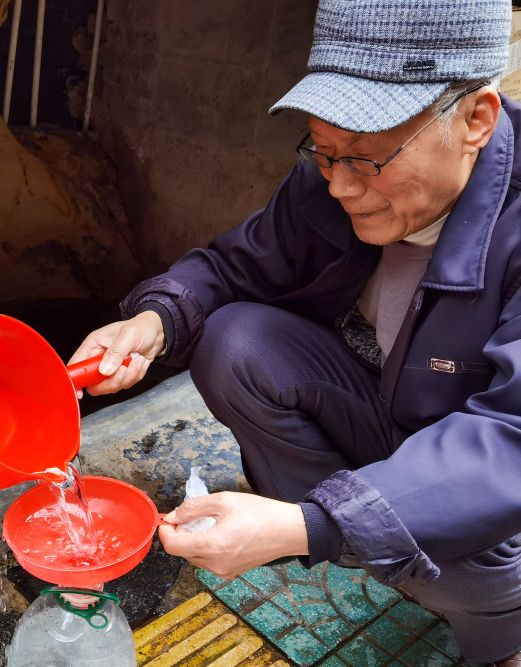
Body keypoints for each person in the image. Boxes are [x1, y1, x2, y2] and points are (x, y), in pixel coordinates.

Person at [68, 0, 521, 664]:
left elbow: (509, 444)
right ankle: (357, 540)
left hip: (490, 499)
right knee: (235, 341)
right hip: (387, 427)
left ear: (476, 120)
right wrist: (154, 321)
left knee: (479, 581)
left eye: (365, 158)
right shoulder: (333, 177)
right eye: (323, 150)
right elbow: (231, 266)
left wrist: (309, 526)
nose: (338, 184)